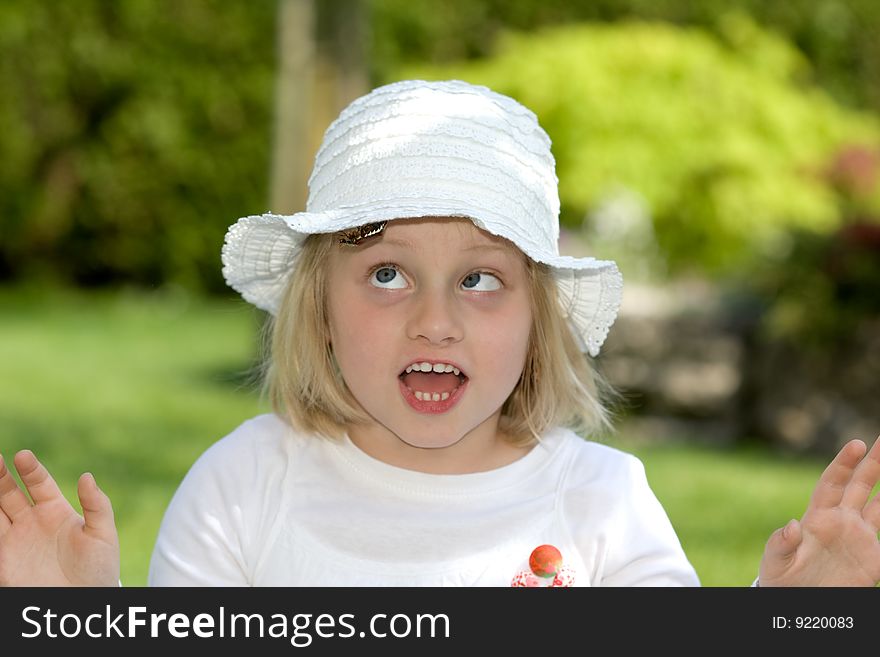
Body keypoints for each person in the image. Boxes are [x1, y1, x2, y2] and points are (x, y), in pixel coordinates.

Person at [1, 79, 879, 587]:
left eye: (481, 279)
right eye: (386, 273)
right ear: (319, 307)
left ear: (539, 321)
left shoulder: (602, 503)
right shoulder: (245, 486)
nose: (434, 318)